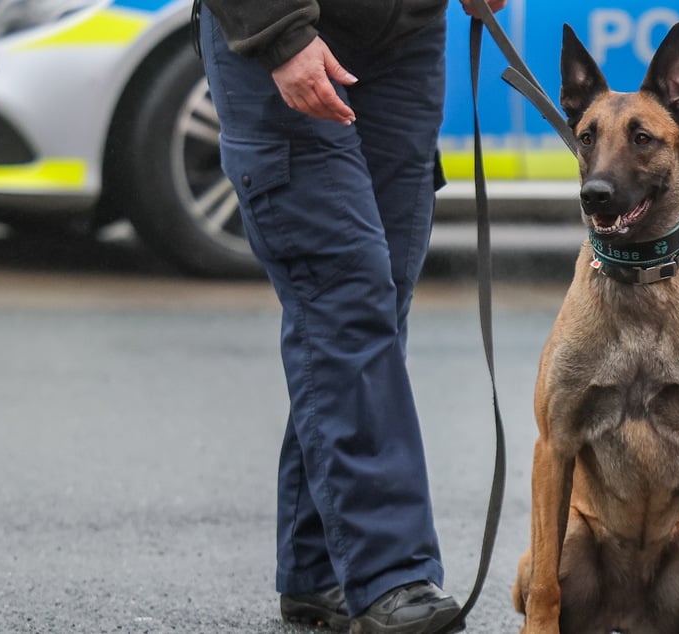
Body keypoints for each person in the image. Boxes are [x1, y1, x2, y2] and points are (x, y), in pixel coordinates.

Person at [194, 1, 506, 632]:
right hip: (283, 29)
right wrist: (279, 34)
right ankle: (390, 573)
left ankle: (319, 570)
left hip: (406, 39)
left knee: (378, 305)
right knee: (346, 296)